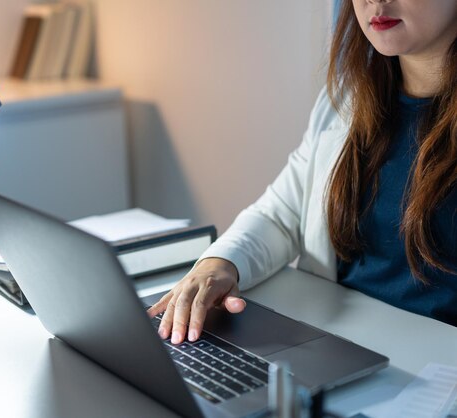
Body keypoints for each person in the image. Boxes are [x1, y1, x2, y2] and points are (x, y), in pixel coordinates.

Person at [148, 0, 457, 345]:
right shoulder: (346, 100)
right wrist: (218, 264)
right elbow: (282, 214)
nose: (375, 1)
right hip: (340, 344)